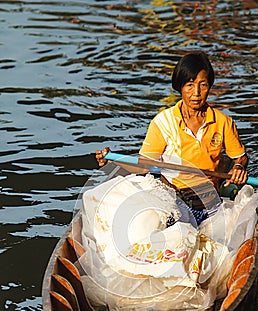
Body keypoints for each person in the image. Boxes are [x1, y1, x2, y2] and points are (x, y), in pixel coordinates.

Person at [96, 51, 248, 221]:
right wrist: (113, 162)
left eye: (202, 85)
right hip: (173, 199)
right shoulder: (163, 123)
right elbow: (143, 164)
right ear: (180, 86)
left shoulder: (223, 122)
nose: (196, 93)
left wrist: (239, 168)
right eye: (190, 85)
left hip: (208, 199)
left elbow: (240, 157)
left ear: (210, 86)